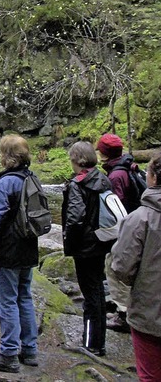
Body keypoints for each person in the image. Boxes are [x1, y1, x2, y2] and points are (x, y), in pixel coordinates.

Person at [0, 134, 40, 373]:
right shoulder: (32, 178)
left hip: (8, 250)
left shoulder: (5, 183)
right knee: (24, 297)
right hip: (28, 246)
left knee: (7, 303)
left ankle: (8, 354)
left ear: (6, 156)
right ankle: (30, 350)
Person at [111, 152, 161, 381]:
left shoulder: (140, 219)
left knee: (150, 375)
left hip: (149, 312)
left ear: (152, 178)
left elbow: (121, 266)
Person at [62, 141, 113, 357]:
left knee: (90, 294)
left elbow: (75, 218)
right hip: (102, 242)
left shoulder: (78, 185)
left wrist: (69, 242)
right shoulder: (103, 179)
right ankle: (98, 342)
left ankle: (91, 344)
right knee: (98, 291)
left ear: (76, 160)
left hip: (85, 246)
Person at [96, 133, 137, 333]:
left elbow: (115, 207)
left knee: (113, 268)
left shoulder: (115, 175)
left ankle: (123, 316)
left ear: (104, 154)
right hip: (131, 229)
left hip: (123, 233)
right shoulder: (126, 166)